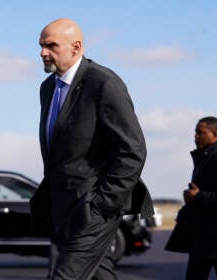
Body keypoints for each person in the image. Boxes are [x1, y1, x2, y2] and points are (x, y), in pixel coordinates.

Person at [30, 18, 154, 280]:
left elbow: (132, 150)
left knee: (64, 276)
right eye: (41, 46)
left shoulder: (103, 83)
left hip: (93, 207)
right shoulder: (48, 88)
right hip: (63, 207)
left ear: (76, 47)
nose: (43, 52)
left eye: (51, 45)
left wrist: (103, 203)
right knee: (100, 275)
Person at [172, 116, 217, 280]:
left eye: (201, 132)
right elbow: (202, 192)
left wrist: (199, 196)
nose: (196, 136)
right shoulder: (203, 159)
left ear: (215, 135)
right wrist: (191, 196)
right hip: (202, 237)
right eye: (195, 132)